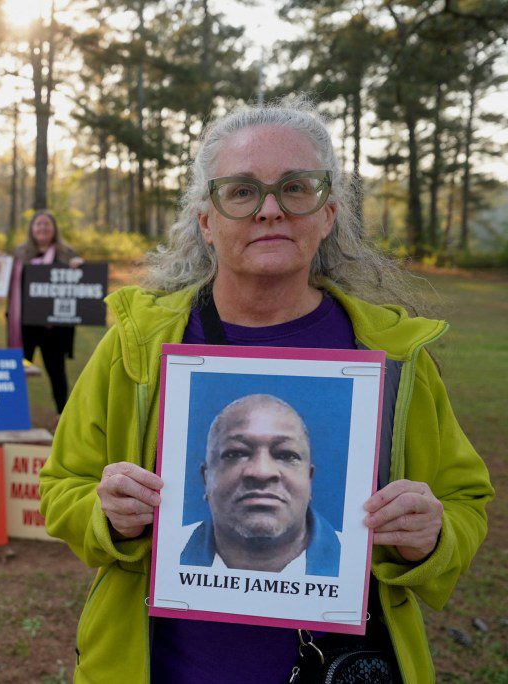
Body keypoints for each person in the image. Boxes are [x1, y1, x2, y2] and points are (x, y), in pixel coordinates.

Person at [39, 99, 492, 683]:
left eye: (296, 188)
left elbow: (465, 501)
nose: (270, 210)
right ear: (207, 219)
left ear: (328, 213)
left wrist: (432, 535)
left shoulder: (393, 356)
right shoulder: (139, 349)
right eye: (242, 190)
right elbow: (61, 486)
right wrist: (105, 514)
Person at [180, 394, 340, 577]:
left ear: (309, 479)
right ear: (206, 478)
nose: (262, 472)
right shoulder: (159, 552)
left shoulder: (361, 564)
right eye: (236, 453)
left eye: (286, 455)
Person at [7, 211, 84, 416]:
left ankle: (62, 417)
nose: (42, 228)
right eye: (38, 224)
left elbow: (80, 284)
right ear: (32, 229)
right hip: (25, 326)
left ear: (54, 228)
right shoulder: (21, 253)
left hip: (55, 327)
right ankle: (13, 414)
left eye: (47, 224)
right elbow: (7, 281)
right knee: (19, 370)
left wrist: (79, 267)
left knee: (57, 372)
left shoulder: (66, 253)